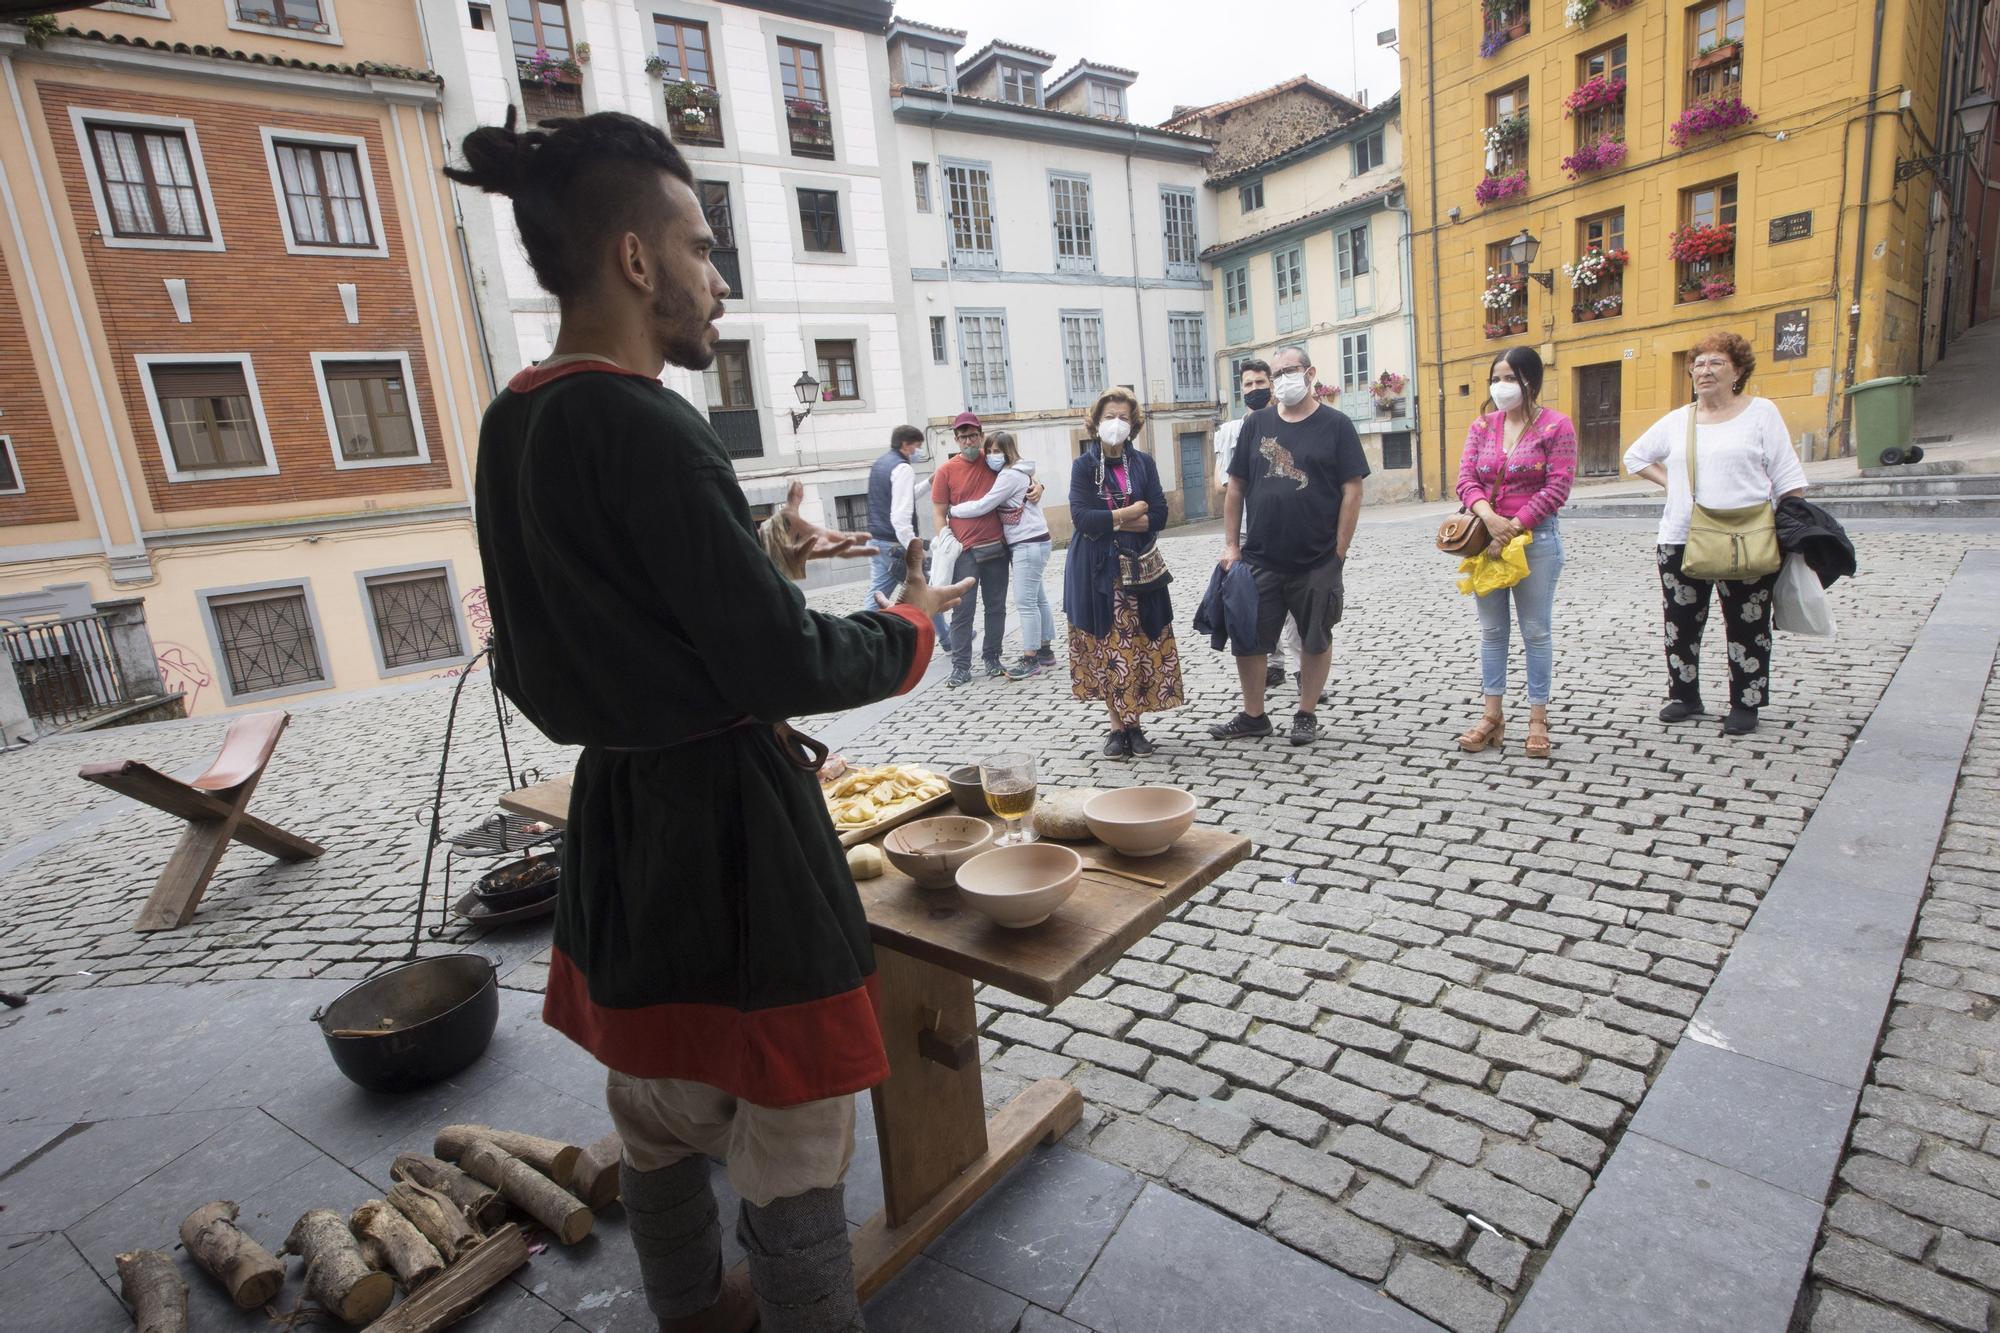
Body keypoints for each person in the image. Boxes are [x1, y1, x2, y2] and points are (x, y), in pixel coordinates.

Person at [450, 109, 969, 1333]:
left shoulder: (513, 419)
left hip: (623, 826)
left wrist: (756, 548)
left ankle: (686, 1309)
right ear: (634, 260)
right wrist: (905, 622)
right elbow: (773, 658)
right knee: (789, 1124)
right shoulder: (647, 419)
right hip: (733, 838)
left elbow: (553, 639)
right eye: (698, 245)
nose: (716, 278)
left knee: (655, 1100)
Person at [1624, 330, 1807, 736]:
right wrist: (1673, 483)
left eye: (1716, 363)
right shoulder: (1678, 420)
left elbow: (1788, 477)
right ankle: (1684, 695)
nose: (1704, 370)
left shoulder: (1762, 414)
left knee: (1747, 622)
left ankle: (1746, 702)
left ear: (1737, 370)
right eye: (1699, 364)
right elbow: (1634, 456)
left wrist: (1792, 527)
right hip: (1682, 535)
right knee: (1681, 622)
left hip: (1747, 535)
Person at [1212, 344, 1369, 747]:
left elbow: (1352, 491)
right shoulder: (1258, 424)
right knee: (1248, 637)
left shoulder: (1336, 425)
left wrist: (1339, 552)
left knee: (1316, 635)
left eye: (1289, 371)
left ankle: (1306, 712)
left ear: (1310, 373)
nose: (1282, 380)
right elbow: (1236, 488)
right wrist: (1232, 545)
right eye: (1276, 373)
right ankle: (1253, 715)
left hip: (1317, 558)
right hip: (1261, 555)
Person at [1453, 347, 1576, 759]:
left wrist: (1513, 526)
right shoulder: (1482, 426)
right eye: (1497, 377)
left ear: (1531, 382)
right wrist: (1489, 519)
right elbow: (1466, 479)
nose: (1501, 386)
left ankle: (1538, 717)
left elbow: (1557, 487)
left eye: (1510, 378)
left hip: (1535, 542)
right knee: (1491, 631)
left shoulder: (1556, 426)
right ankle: (1492, 715)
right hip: (1486, 540)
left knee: (1536, 631)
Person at [1066, 387, 1184, 757]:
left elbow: (1161, 514)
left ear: (1133, 424)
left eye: (1122, 417)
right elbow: (1083, 519)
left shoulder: (1143, 464)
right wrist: (1131, 514)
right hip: (1096, 572)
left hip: (1139, 569)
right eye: (1108, 417)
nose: (1115, 423)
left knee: (1137, 645)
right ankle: (1117, 726)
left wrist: (1112, 522)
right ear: (1096, 422)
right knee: (1107, 645)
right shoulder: (1084, 466)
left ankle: (1136, 726)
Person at [1213, 358, 1300, 688]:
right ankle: (1273, 661)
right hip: (1250, 526)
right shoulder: (1232, 431)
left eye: (1260, 383)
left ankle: (1301, 667)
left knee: (1295, 602)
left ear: (1272, 385)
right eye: (1248, 384)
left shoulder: (1289, 423)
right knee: (1260, 599)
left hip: (1287, 526)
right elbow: (1224, 483)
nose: (1254, 390)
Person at [947, 430, 1056, 680]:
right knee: (1038, 598)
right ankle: (1046, 650)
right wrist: (1039, 484)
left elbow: (985, 504)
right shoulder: (1023, 471)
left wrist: (954, 511)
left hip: (1027, 543)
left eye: (999, 451)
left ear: (1009, 452)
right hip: (1036, 540)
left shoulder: (1008, 475)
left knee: (1026, 602)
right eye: (991, 451)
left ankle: (1031, 658)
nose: (994, 456)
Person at [933, 411, 1013, 688]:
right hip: (965, 552)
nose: (968, 441)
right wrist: (945, 537)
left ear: (980, 435)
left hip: (995, 548)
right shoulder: (945, 471)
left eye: (972, 435)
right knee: (962, 610)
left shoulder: (994, 461)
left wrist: (1038, 486)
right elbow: (938, 511)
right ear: (955, 439)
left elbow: (1021, 475)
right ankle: (961, 666)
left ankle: (992, 657)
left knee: (996, 607)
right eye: (962, 436)